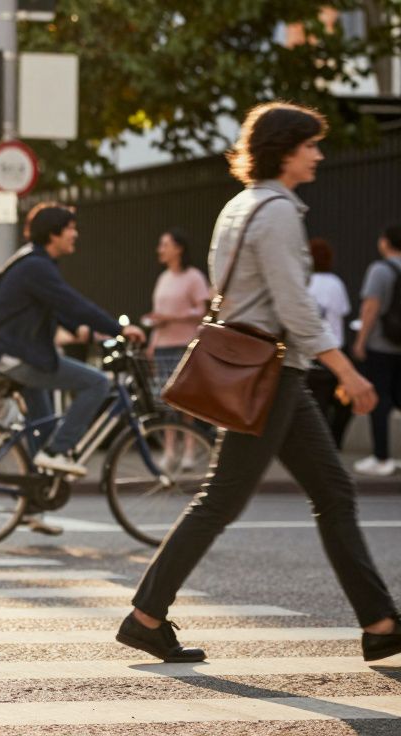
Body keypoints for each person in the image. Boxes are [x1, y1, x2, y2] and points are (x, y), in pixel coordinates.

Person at [118, 102, 399, 665]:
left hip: (273, 373)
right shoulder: (275, 213)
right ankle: (147, 615)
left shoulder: (239, 207)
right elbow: (295, 308)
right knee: (223, 498)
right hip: (270, 374)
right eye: (310, 145)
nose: (318, 154)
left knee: (331, 492)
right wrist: (348, 373)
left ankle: (380, 623)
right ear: (284, 150)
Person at [0, 206, 147, 477]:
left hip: (14, 353)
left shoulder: (32, 262)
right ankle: (57, 451)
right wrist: (119, 329)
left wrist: (81, 330)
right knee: (97, 383)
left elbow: (55, 308)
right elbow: (74, 304)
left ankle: (36, 500)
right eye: (70, 228)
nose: (75, 234)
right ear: (53, 233)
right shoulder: (36, 266)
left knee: (43, 429)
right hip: (18, 355)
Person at [351, 224, 401, 476]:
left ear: (385, 242)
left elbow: (370, 308)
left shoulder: (380, 270)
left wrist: (360, 341)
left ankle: (382, 458)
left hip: (382, 345)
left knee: (379, 401)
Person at [144, 229, 209, 399]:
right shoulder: (163, 278)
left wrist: (172, 317)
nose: (160, 250)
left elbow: (202, 311)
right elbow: (159, 314)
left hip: (185, 346)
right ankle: (169, 427)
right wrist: (152, 344)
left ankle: (187, 427)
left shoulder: (194, 277)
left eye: (165, 245)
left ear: (178, 248)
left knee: (186, 398)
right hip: (162, 348)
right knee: (163, 398)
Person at [306, 237, 354, 448]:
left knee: (316, 404)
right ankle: (334, 442)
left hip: (310, 352)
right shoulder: (336, 283)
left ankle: (319, 446)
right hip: (336, 350)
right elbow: (343, 312)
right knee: (343, 401)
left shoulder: (304, 283)